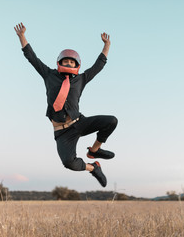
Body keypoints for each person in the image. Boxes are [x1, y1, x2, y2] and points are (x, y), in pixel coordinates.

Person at [14, 22, 117, 187]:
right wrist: (22, 36)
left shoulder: (81, 79)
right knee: (69, 163)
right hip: (63, 133)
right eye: (66, 61)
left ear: (77, 65)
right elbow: (32, 58)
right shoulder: (49, 75)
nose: (69, 64)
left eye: (72, 62)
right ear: (59, 62)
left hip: (79, 122)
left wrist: (107, 46)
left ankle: (94, 150)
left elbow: (99, 66)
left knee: (111, 121)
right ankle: (94, 168)